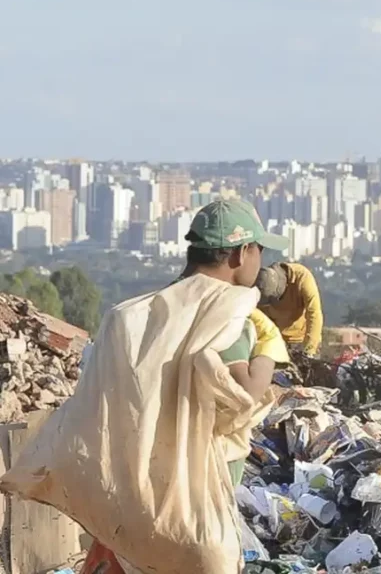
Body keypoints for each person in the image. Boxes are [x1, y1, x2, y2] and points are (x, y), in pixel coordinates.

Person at [81, 199, 290, 574]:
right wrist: (269, 350)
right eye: (260, 250)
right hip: (195, 497)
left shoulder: (140, 313)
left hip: (134, 488)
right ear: (242, 253)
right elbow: (243, 394)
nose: (261, 261)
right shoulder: (225, 314)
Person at [255, 262, 323, 357]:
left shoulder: (302, 277)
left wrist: (309, 349)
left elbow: (314, 313)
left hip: (302, 339)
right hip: (277, 340)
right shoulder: (262, 282)